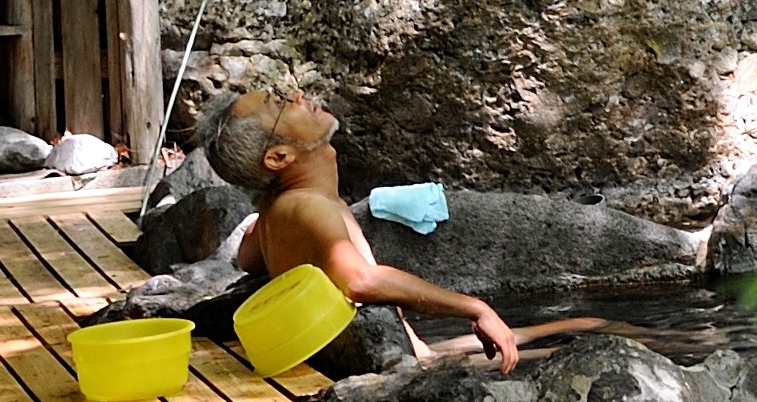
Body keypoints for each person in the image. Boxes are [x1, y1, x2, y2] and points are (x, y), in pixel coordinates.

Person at [202, 87, 562, 376]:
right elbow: (361, 281)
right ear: (279, 158)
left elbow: (248, 258)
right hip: (409, 370)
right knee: (585, 344)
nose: (296, 95)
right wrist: (475, 308)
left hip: (407, 353)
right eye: (280, 104)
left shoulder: (279, 206)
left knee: (583, 323)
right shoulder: (311, 208)